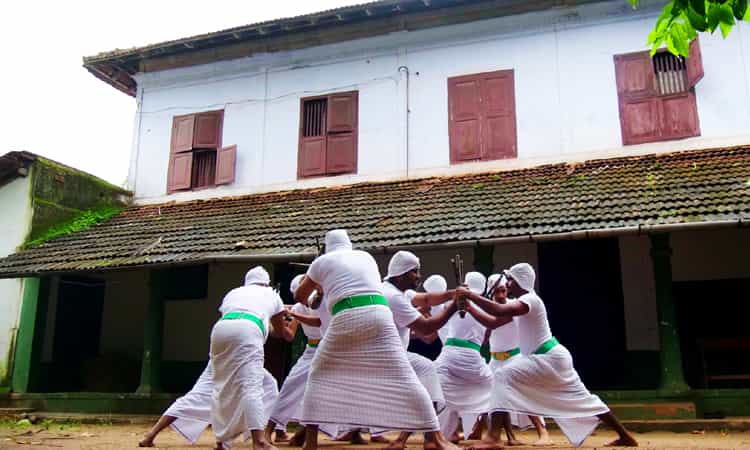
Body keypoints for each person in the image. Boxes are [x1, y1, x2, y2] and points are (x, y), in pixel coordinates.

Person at [294, 230, 459, 450]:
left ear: (326, 247)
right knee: (407, 376)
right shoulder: (366, 257)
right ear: (349, 244)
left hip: (347, 315)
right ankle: (435, 437)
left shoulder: (322, 262)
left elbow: (300, 298)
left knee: (318, 375)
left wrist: (319, 287)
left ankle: (311, 444)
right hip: (379, 314)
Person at [459, 263, 638, 448]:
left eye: (511, 279)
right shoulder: (521, 303)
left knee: (503, 375)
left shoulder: (530, 300)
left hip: (548, 357)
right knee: (585, 399)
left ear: (519, 281)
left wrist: (470, 296)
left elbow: (498, 310)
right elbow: (493, 321)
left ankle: (493, 438)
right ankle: (625, 436)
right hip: (550, 358)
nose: (509, 283)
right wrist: (470, 307)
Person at [378, 250, 459, 449]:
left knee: (425, 379)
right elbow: (427, 328)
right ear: (402, 274)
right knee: (426, 374)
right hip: (387, 358)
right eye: (415, 272)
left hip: (394, 354)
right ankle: (433, 438)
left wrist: (453, 293)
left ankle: (416, 439)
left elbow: (426, 299)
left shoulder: (395, 289)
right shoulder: (393, 297)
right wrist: (454, 305)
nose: (419, 276)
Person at [464, 273, 551, 446]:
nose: (501, 294)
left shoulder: (514, 306)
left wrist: (470, 304)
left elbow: (493, 321)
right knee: (494, 397)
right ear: (492, 292)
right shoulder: (489, 308)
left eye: (503, 290)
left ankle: (544, 433)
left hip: (514, 357)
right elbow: (485, 335)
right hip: (495, 360)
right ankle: (507, 436)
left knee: (525, 393)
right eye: (497, 291)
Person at [210, 266, 292, 450]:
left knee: (226, 384)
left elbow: (241, 316)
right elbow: (280, 333)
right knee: (252, 386)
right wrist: (287, 317)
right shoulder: (272, 294)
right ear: (266, 283)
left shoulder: (234, 293)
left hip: (220, 330)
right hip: (248, 330)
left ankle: (223, 440)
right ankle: (259, 441)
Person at [264, 275, 337, 445]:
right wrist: (279, 322)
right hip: (311, 350)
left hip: (329, 349)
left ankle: (304, 433)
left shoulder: (323, 301)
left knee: (328, 392)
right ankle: (270, 430)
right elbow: (289, 335)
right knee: (291, 386)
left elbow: (319, 321)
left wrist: (293, 313)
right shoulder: (298, 306)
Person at [138, 364, 279, 447]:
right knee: (197, 397)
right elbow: (284, 333)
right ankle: (261, 436)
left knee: (268, 385)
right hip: (241, 356)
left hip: (232, 353)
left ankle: (272, 432)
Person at [433, 272, 493, 443]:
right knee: (496, 389)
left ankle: (447, 433)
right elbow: (486, 337)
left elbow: (442, 316)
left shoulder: (455, 303)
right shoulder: (485, 306)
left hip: (447, 354)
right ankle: (491, 433)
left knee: (444, 395)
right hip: (471, 356)